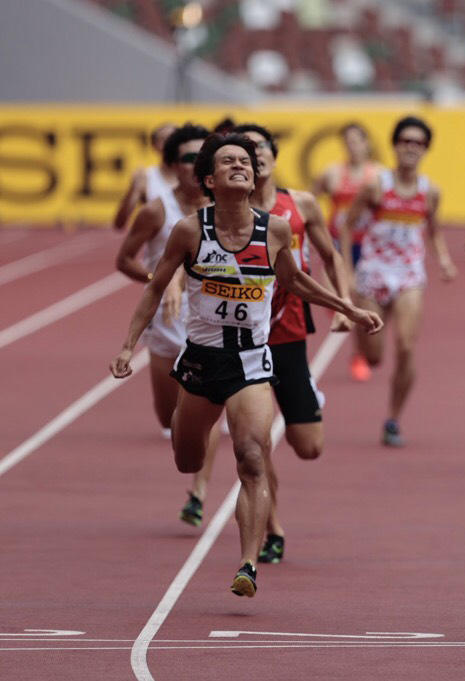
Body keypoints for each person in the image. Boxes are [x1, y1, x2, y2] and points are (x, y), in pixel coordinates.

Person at [110, 133, 382, 598]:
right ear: (210, 180)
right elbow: (155, 288)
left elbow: (296, 281)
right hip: (199, 361)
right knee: (187, 459)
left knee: (252, 458)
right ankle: (183, 421)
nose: (241, 165)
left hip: (252, 361)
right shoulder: (190, 230)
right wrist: (127, 346)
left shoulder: (275, 229)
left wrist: (349, 309)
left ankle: (248, 563)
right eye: (228, 161)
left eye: (246, 161)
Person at [184, 121, 353, 564]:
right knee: (255, 446)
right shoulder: (218, 213)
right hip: (235, 346)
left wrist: (345, 305)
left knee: (308, 446)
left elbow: (328, 256)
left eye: (258, 149)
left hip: (289, 332)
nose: (251, 156)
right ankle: (271, 527)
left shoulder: (298, 206)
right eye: (242, 151)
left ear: (273, 159)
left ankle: (302, 401)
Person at [342, 116, 456, 446]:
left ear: (425, 149)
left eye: (418, 143)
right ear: (395, 146)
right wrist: (349, 272)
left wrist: (444, 260)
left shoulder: (430, 191)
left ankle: (393, 418)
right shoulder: (376, 185)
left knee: (406, 346)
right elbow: (348, 226)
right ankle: (360, 346)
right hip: (374, 272)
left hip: (408, 275)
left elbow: (433, 231)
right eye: (405, 141)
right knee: (374, 356)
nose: (411, 147)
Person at [115, 123, 210, 443]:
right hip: (167, 313)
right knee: (170, 421)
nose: (197, 164)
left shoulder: (226, 206)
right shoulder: (157, 210)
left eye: (203, 156)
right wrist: (160, 279)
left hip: (215, 311)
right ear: (172, 165)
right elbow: (124, 260)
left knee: (214, 414)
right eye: (189, 157)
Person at [312, 122, 384, 381]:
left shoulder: (378, 175)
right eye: (347, 142)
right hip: (336, 244)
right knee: (339, 301)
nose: (352, 147)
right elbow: (308, 201)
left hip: (367, 248)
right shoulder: (331, 174)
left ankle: (358, 354)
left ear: (366, 144)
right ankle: (352, 330)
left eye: (357, 141)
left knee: (357, 302)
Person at [113, 122, 177, 231]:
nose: (169, 143)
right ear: (154, 146)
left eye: (174, 138)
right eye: (163, 139)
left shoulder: (194, 177)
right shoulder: (146, 178)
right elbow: (120, 223)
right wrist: (134, 191)